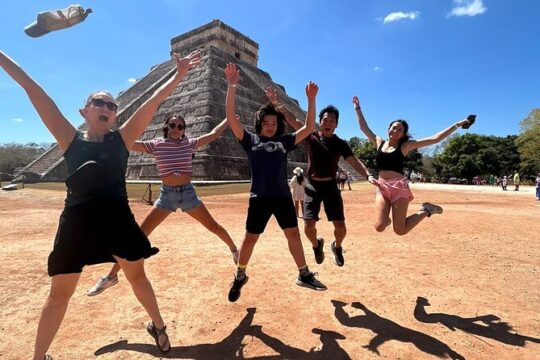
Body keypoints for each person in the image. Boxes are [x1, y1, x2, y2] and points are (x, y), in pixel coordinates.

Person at [0, 49, 201, 359]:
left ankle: (159, 327)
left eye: (112, 105)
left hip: (117, 219)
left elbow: (153, 103)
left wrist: (179, 75)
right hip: (77, 223)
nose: (107, 107)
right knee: (59, 296)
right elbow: (32, 87)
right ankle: (38, 358)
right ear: (85, 111)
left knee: (136, 276)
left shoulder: (122, 138)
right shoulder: (69, 138)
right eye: (100, 103)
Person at [87, 114, 239, 296]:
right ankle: (111, 277)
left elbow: (213, 134)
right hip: (167, 196)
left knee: (214, 226)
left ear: (184, 129)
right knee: (138, 237)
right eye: (173, 125)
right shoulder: (156, 144)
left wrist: (228, 119)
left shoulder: (189, 143)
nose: (176, 129)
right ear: (166, 126)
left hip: (188, 194)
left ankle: (234, 249)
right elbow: (129, 142)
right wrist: (106, 130)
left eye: (180, 126)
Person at [224, 63, 326, 303]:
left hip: (281, 197)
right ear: (259, 123)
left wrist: (311, 100)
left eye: (273, 123)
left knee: (293, 234)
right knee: (250, 238)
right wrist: (231, 86)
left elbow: (309, 127)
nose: (270, 126)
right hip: (259, 197)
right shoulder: (250, 140)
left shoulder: (284, 141)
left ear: (277, 125)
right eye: (266, 123)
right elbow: (231, 117)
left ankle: (304, 273)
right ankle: (240, 275)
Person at [266, 90, 376, 267]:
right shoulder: (311, 136)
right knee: (308, 227)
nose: (328, 122)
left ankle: (337, 247)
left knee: (340, 227)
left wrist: (368, 175)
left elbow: (354, 162)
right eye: (325, 119)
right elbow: (293, 120)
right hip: (312, 187)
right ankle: (317, 245)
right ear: (320, 121)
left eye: (332, 120)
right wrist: (276, 102)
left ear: (336, 125)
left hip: (331, 188)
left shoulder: (340, 144)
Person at [353, 95, 473, 236]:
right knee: (379, 227)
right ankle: (386, 219)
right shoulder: (379, 141)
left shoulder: (406, 146)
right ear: (388, 128)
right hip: (382, 186)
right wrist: (357, 108)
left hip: (399, 188)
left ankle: (426, 210)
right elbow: (363, 127)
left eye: (400, 130)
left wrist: (457, 125)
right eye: (394, 128)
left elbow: (435, 139)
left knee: (400, 230)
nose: (396, 131)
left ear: (403, 134)